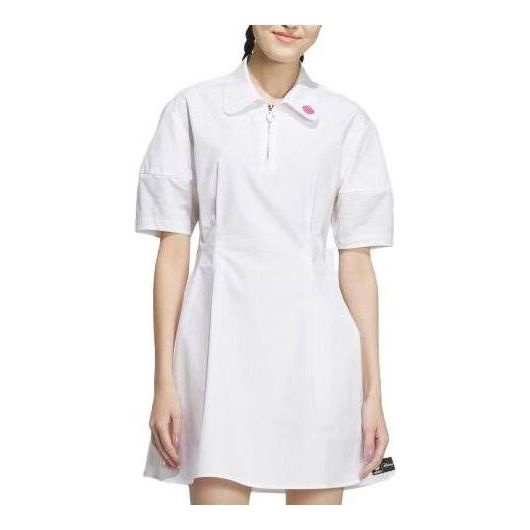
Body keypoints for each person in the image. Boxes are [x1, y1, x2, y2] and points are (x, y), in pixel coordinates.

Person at [134, 25, 394, 505]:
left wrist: (373, 392)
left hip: (317, 356)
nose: (292, 21)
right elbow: (173, 253)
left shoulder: (347, 122)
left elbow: (357, 263)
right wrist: (164, 381)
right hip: (216, 355)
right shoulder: (193, 109)